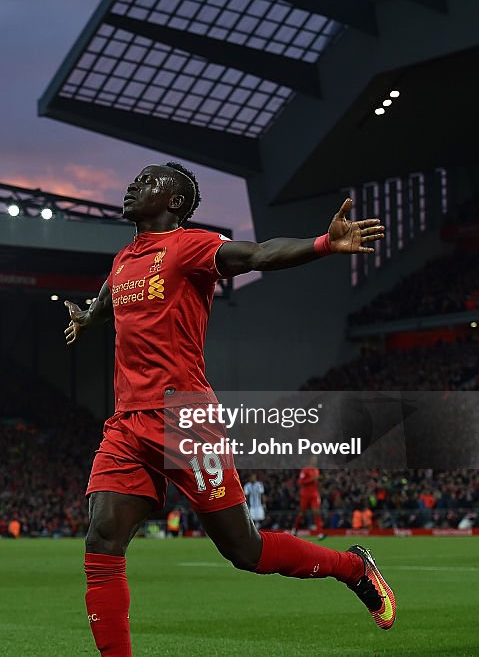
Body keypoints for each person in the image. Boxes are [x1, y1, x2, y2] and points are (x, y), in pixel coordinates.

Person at [64, 163, 395, 655]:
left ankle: (352, 567)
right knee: (101, 540)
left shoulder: (189, 246)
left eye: (149, 181)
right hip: (126, 424)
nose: (134, 186)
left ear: (174, 203)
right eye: (136, 180)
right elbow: (112, 295)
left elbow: (259, 253)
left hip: (183, 419)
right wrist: (90, 316)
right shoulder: (123, 259)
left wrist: (323, 244)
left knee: (246, 550)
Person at [292, 457, 325, 540]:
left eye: (316, 459)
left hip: (314, 494)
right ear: (310, 460)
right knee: (302, 513)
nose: (315, 461)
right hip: (305, 494)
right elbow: (300, 482)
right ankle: (295, 529)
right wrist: (312, 479)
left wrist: (320, 481)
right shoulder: (305, 470)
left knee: (316, 512)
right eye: (313, 459)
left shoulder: (316, 470)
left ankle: (320, 533)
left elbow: (316, 482)